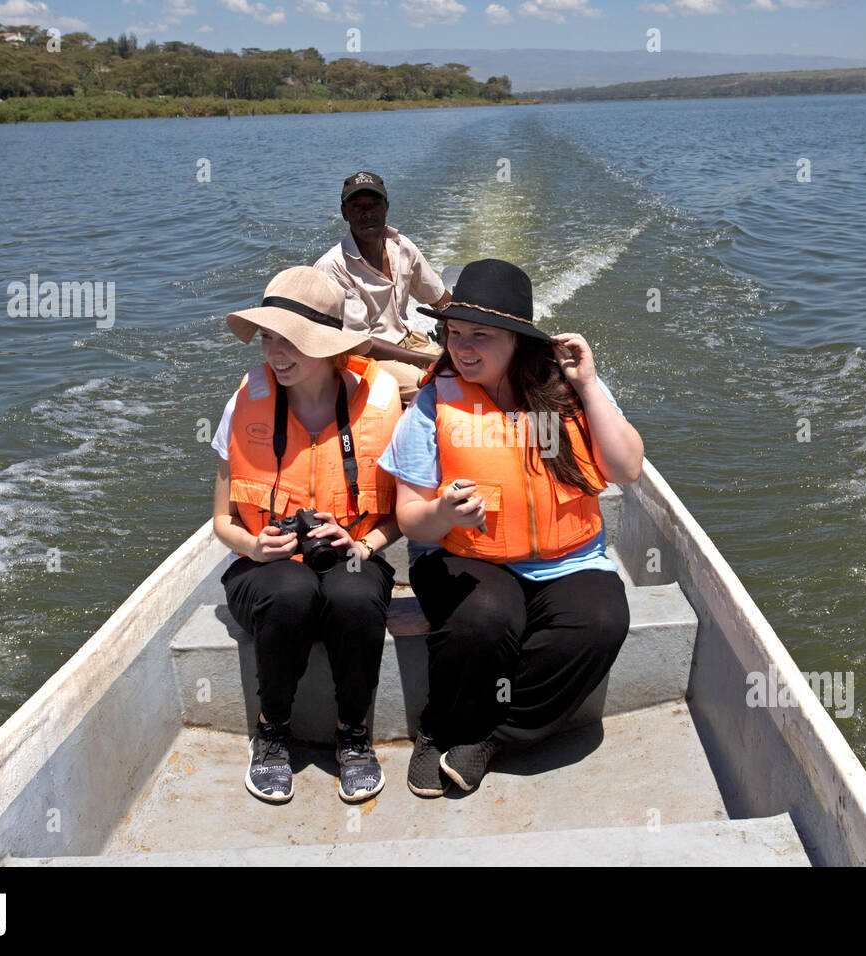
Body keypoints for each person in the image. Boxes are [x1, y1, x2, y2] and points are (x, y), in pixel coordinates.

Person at [378, 258, 645, 796]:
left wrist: (589, 384)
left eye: (481, 335)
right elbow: (410, 516)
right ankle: (440, 727)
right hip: (464, 554)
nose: (463, 347)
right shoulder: (433, 402)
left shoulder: (567, 390)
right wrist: (444, 514)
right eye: (455, 334)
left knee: (601, 621)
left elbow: (627, 468)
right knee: (487, 615)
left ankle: (489, 735)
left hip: (567, 559)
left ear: (518, 341)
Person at [210, 266, 403, 804]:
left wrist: (362, 544)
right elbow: (222, 520)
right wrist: (254, 546)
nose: (275, 352)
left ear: (330, 346)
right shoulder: (244, 400)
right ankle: (272, 732)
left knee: (353, 592)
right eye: (269, 337)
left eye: (291, 340)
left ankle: (353, 736)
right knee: (292, 592)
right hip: (264, 568)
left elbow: (399, 517)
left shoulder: (383, 405)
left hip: (352, 556)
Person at [313, 171, 452, 405]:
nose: (367, 213)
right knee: (435, 385)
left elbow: (440, 300)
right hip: (365, 359)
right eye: (357, 207)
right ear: (344, 213)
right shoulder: (334, 267)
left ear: (386, 207)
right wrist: (423, 360)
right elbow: (360, 344)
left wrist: (470, 328)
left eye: (374, 205)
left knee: (473, 369)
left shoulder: (402, 246)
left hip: (410, 343)